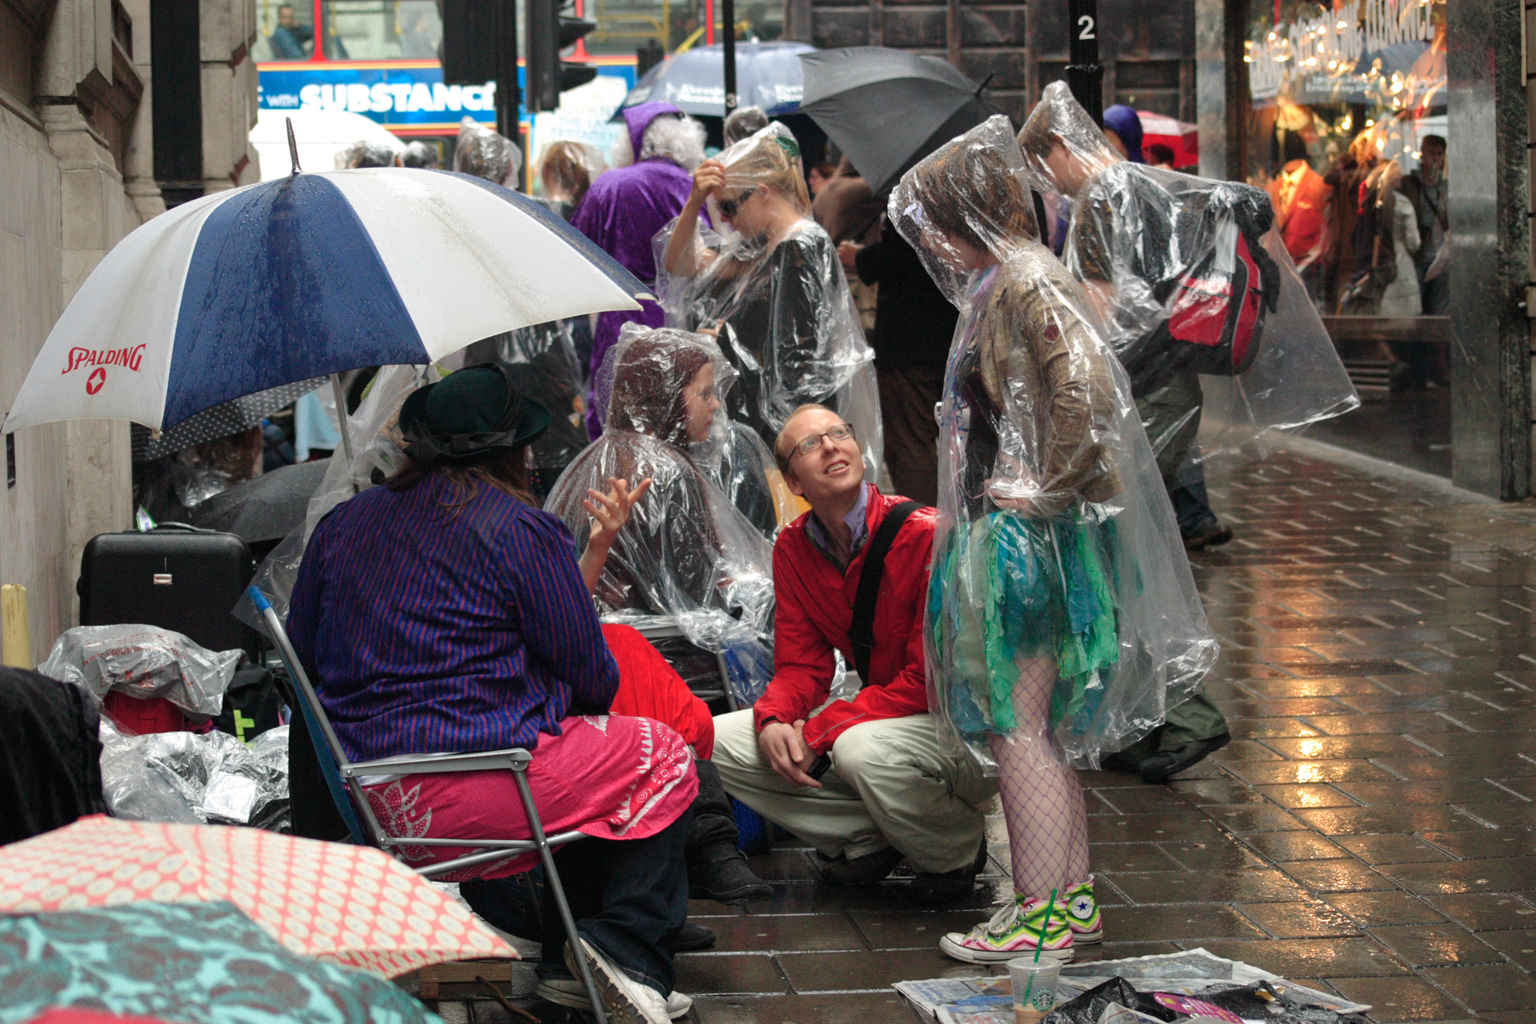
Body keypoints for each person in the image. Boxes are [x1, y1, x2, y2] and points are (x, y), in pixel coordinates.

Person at [891, 116, 1216, 961]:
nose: (933, 243)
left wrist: (1042, 486)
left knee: (1019, 728)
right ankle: (1063, 902)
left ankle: (1043, 914)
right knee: (1036, 730)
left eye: (936, 225)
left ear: (964, 217)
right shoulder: (1017, 277)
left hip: (1024, 543)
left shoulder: (1023, 281)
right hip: (1028, 534)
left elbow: (1084, 391)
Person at [285, 366, 699, 1024]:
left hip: (370, 798)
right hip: (478, 792)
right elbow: (594, 678)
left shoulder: (340, 527)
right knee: (662, 754)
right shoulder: (522, 530)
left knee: (582, 748)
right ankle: (629, 952)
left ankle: (562, 952)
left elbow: (303, 658)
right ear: (516, 452)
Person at [710, 404, 998, 906]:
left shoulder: (928, 535)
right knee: (716, 737)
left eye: (838, 433)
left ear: (857, 450)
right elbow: (802, 665)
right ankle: (867, 839)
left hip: (967, 728)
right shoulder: (794, 549)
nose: (829, 446)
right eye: (809, 444)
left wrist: (822, 728)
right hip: (892, 716)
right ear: (793, 482)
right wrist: (777, 716)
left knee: (857, 748)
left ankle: (953, 849)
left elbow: (929, 680)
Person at [660, 122, 882, 479]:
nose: (728, 221)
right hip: (767, 424)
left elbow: (800, 360)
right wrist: (694, 202)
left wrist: (722, 336)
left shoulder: (801, 247)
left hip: (787, 430)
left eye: (730, 206)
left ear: (762, 192)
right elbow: (681, 264)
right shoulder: (762, 246)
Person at [572, 102, 708, 436]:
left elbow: (577, 250)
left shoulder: (609, 185)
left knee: (616, 412)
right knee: (678, 410)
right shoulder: (692, 187)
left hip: (620, 317)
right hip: (681, 316)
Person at [837, 217, 957, 506]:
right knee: (945, 443)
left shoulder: (917, 191)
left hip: (913, 338)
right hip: (948, 333)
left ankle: (924, 536)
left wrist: (862, 256)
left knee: (913, 447)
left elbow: (906, 247)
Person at [1400, 135, 1448, 318]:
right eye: (1431, 153)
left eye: (1439, 154)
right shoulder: (1409, 184)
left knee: (1439, 308)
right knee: (1416, 307)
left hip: (1440, 256)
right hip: (1417, 256)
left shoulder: (1445, 187)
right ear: (1422, 155)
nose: (1435, 158)